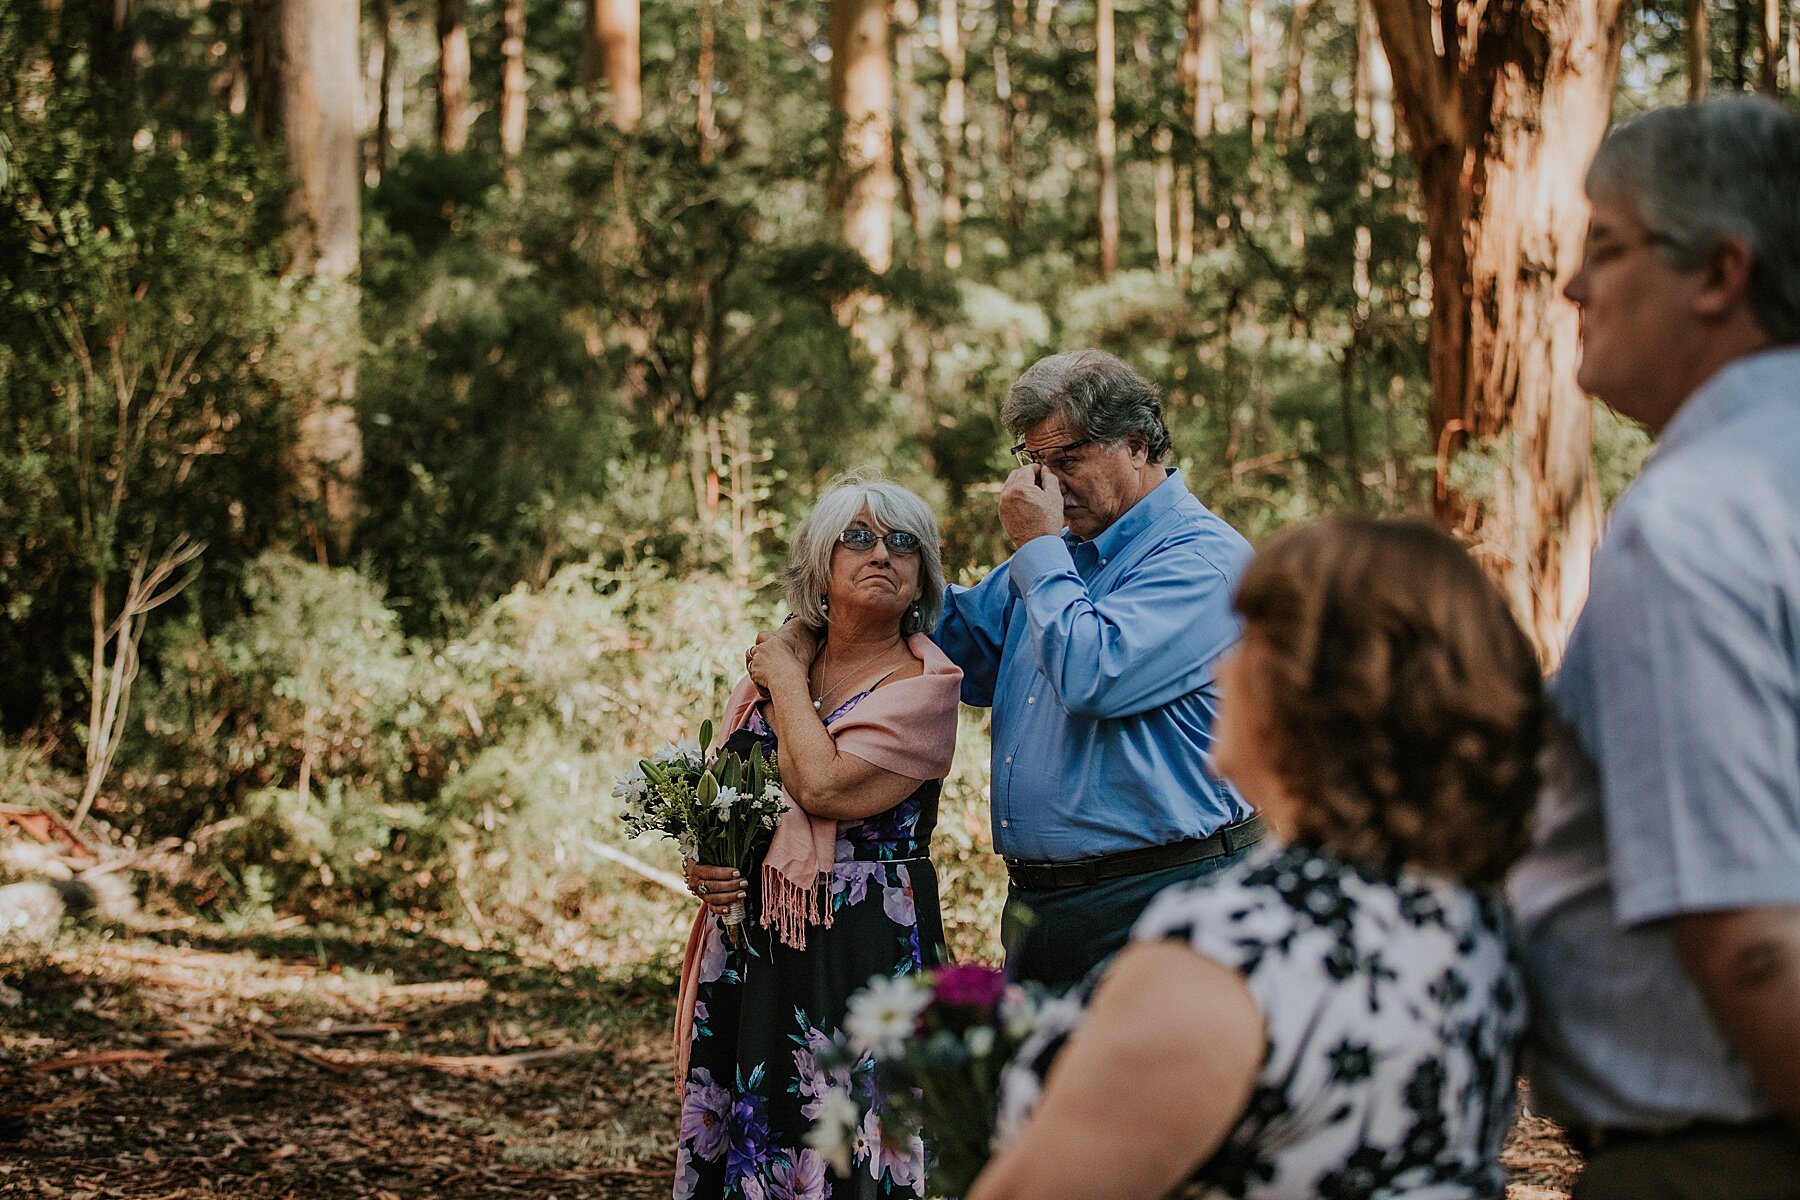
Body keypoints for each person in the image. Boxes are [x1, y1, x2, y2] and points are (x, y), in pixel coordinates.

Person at [966, 517, 1548, 1200]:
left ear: (1308, 696)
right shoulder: (1474, 923)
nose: (1218, 666)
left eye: (1245, 641)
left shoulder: (1229, 955)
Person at [1509, 96, 1800, 1199]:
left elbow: (1752, 936)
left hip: (1727, 1150)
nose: (1574, 284)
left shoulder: (1699, 520)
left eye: (1608, 246)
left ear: (1722, 272)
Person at [670, 471, 964, 1200]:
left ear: (923, 574)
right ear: (817, 569)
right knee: (758, 1139)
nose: (882, 554)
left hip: (865, 945)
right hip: (757, 949)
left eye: (904, 543)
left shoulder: (923, 687)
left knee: (858, 1147)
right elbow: (729, 805)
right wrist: (710, 868)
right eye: (856, 538)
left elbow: (822, 784)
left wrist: (789, 674)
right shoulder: (771, 674)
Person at [933, 349, 1259, 989]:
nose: (1046, 485)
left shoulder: (1204, 559)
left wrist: (1039, 548)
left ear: (1136, 445)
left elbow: (1093, 675)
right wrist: (857, 591)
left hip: (1163, 897)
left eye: (1066, 460)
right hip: (1044, 907)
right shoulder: (1063, 555)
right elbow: (957, 648)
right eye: (1034, 463)